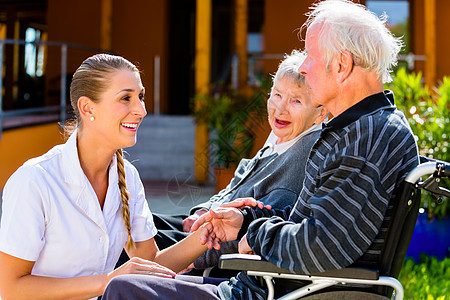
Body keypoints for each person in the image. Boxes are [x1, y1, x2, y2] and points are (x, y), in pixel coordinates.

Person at [102, 0, 419, 299]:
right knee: (124, 278)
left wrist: (254, 234)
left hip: (264, 292)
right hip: (262, 286)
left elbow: (319, 247)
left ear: (341, 64)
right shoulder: (362, 129)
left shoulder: (367, 137)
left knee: (122, 289)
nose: (304, 68)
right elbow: (316, 230)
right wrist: (246, 221)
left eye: (310, 55)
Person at [0, 53, 239, 299]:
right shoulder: (34, 181)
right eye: (126, 98)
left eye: (141, 97)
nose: (141, 110)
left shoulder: (128, 177)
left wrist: (207, 231)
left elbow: (149, 265)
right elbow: (11, 289)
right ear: (87, 108)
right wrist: (106, 282)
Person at [151, 50, 328, 272]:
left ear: (320, 113)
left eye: (296, 101)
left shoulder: (303, 155)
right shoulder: (280, 138)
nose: (280, 108)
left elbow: (258, 230)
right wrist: (201, 210)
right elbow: (232, 189)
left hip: (212, 248)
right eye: (277, 95)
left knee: (130, 246)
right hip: (205, 228)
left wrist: (195, 260)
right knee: (137, 226)